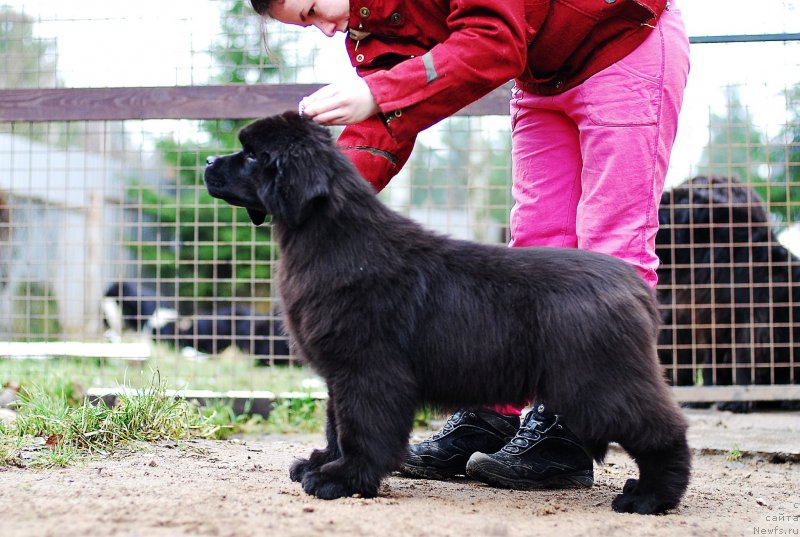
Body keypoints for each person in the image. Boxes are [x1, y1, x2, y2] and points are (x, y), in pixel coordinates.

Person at [249, 0, 690, 490]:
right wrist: (310, 191)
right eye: (307, 24)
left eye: (313, 9)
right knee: (535, 245)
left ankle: (567, 428)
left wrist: (378, 91)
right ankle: (492, 415)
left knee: (610, 244)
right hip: (542, 77)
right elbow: (385, 121)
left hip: (622, 45)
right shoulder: (370, 26)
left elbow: (493, 38)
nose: (326, 29)